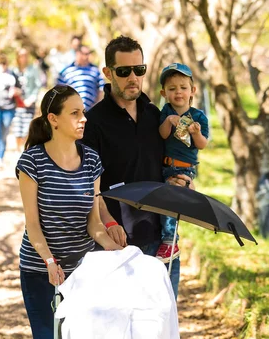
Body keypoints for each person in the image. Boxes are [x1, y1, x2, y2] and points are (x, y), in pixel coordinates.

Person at [0, 85, 123, 339]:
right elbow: (32, 225)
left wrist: (112, 243)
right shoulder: (32, 162)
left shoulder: (91, 161)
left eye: (82, 112)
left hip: (79, 275)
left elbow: (93, 223)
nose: (83, 119)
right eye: (74, 113)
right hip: (40, 270)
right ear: (53, 120)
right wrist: (49, 259)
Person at [82, 35, 192, 299]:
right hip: (117, 244)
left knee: (162, 324)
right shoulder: (93, 124)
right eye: (124, 71)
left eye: (138, 70)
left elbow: (175, 161)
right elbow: (88, 187)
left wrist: (182, 180)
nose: (133, 77)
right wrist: (107, 227)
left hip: (162, 238)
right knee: (122, 330)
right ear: (108, 73)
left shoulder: (157, 116)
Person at [156, 63, 209, 263]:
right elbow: (162, 135)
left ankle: (170, 241)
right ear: (164, 93)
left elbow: (202, 145)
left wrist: (195, 133)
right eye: (172, 89)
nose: (178, 92)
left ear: (192, 91)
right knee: (163, 203)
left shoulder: (198, 116)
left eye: (183, 87)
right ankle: (167, 240)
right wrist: (169, 121)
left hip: (183, 167)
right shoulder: (166, 111)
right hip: (165, 165)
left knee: (170, 203)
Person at [56, 44, 105, 112]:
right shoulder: (66, 71)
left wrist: (96, 106)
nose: (87, 56)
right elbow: (59, 91)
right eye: (85, 54)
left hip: (91, 111)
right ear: (78, 54)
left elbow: (101, 90)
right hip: (72, 111)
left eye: (88, 54)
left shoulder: (95, 70)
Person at [12, 47, 42, 151]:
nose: (23, 58)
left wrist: (32, 99)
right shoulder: (14, 71)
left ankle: (24, 150)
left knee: (26, 128)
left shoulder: (33, 69)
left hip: (29, 103)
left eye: (25, 55)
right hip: (16, 104)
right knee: (17, 128)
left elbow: (38, 85)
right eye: (21, 55)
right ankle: (18, 148)